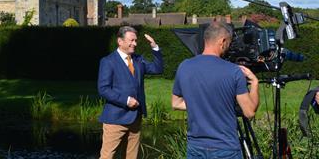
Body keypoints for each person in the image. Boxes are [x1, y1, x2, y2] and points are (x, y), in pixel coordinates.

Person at [172, 21, 259, 159]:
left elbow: (176, 103)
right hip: (225, 148)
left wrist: (201, 105)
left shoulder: (184, 66)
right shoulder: (234, 72)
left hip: (195, 147)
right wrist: (254, 83)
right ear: (222, 41)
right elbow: (249, 112)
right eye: (229, 43)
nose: (229, 47)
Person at [98, 25, 164, 159]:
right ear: (120, 41)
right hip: (115, 120)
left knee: (131, 157)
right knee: (107, 156)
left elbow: (158, 69)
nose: (135, 44)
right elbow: (103, 89)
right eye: (131, 40)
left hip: (135, 118)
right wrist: (126, 100)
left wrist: (154, 47)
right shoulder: (108, 61)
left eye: (135, 40)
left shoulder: (138, 59)